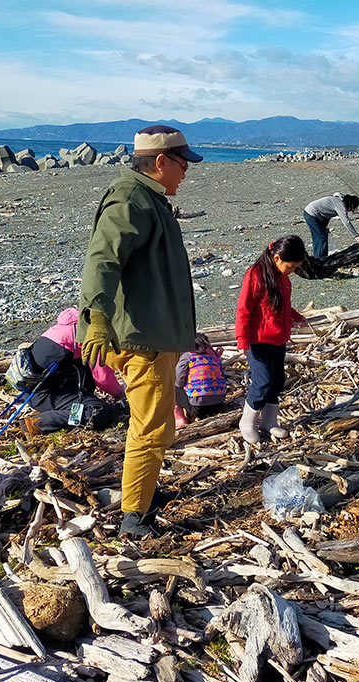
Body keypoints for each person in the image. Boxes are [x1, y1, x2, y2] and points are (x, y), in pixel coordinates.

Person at [78, 124, 202, 538]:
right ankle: (135, 517)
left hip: (153, 333)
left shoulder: (150, 199)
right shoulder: (131, 200)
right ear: (162, 161)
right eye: (183, 163)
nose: (187, 172)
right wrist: (95, 318)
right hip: (140, 339)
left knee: (158, 423)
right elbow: (101, 261)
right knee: (149, 429)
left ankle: (143, 493)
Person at [235, 235, 308, 444]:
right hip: (259, 340)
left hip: (279, 339)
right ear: (277, 258)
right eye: (291, 266)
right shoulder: (256, 274)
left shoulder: (283, 277)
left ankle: (269, 421)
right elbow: (244, 309)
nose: (292, 271)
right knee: (262, 381)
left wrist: (295, 316)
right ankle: (247, 422)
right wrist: (242, 339)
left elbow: (282, 304)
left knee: (277, 381)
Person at [27, 307, 123, 431]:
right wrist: (120, 392)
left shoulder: (70, 325)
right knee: (99, 412)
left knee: (83, 367)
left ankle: (70, 407)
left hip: (35, 390)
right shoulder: (94, 333)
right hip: (45, 395)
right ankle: (39, 422)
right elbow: (103, 378)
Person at [174, 333, 227, 428]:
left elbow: (179, 380)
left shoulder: (188, 356)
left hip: (198, 408)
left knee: (174, 386)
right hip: (219, 404)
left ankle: (180, 417)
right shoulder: (215, 357)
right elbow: (222, 376)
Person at [303, 193, 359, 260]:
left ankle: (323, 258)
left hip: (314, 214)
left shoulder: (337, 201)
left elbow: (327, 215)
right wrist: (356, 235)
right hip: (311, 214)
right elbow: (346, 222)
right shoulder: (340, 205)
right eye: (353, 208)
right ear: (351, 204)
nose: (351, 210)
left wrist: (324, 227)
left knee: (320, 237)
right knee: (321, 238)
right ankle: (319, 260)